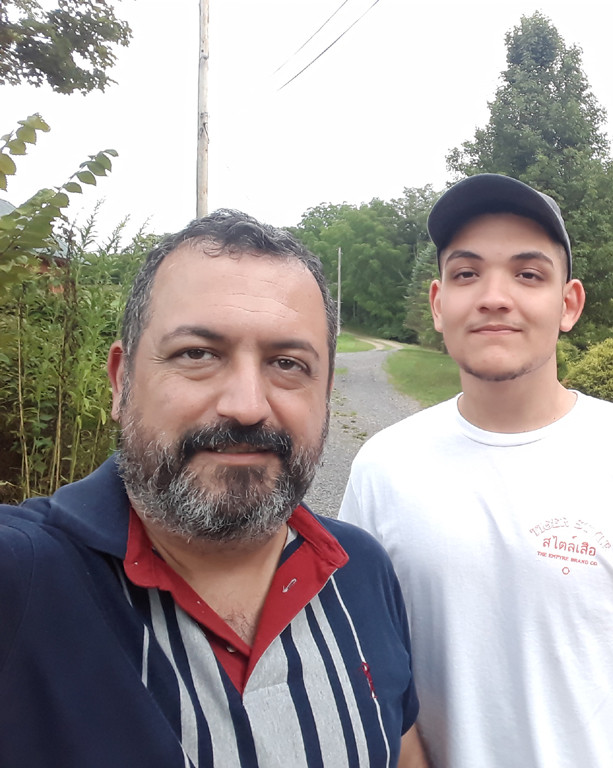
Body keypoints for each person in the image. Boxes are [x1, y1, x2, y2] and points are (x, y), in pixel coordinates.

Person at [339, 174, 613, 767]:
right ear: (439, 304)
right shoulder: (382, 468)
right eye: (467, 273)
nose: (493, 296)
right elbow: (370, 665)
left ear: (568, 305)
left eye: (528, 274)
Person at [0, 210, 427, 768]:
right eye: (197, 355)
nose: (247, 405)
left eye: (288, 363)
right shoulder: (24, 581)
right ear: (120, 381)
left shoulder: (361, 572)